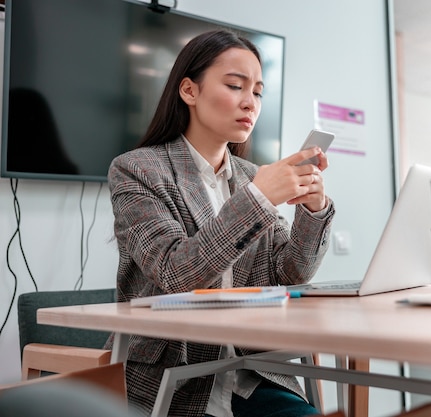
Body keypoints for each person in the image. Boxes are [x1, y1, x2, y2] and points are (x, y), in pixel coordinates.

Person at [106, 29, 335, 417]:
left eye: (258, 92)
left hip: (251, 373)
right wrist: (259, 198)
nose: (251, 103)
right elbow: (176, 272)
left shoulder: (248, 176)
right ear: (189, 91)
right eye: (235, 85)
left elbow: (289, 273)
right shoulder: (136, 169)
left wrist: (312, 210)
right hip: (175, 381)